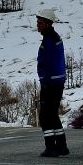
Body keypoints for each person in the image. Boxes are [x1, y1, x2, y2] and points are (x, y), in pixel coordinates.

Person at [35, 9, 69, 157]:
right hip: (56, 81)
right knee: (52, 114)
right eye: (37, 22)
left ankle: (51, 147)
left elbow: (48, 64)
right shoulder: (53, 37)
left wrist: (45, 81)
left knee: (45, 116)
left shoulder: (49, 40)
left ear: (48, 23)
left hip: (51, 83)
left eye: (40, 23)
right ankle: (61, 146)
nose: (38, 25)